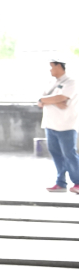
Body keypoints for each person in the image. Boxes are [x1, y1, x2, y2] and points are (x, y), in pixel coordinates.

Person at [38, 57, 79, 194]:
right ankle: (60, 182)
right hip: (50, 124)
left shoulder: (71, 82)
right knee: (56, 154)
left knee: (69, 154)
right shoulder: (51, 82)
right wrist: (50, 100)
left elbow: (62, 100)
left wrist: (48, 100)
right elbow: (42, 99)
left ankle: (77, 182)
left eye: (52, 66)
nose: (50, 69)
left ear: (59, 66)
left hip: (66, 125)